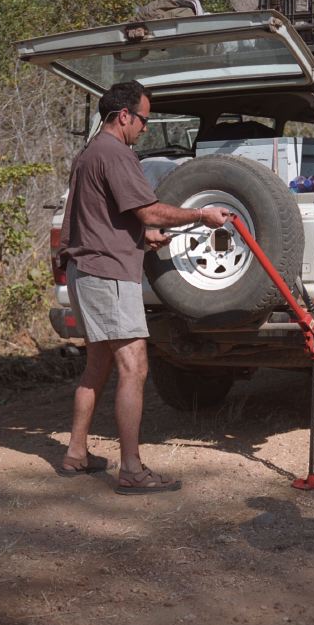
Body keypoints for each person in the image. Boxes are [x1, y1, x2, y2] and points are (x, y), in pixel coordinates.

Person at [57, 80, 230, 494]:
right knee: (134, 366)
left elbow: (103, 215)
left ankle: (76, 453)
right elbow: (148, 210)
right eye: (143, 119)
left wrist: (142, 236)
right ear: (123, 116)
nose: (145, 127)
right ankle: (132, 470)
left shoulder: (89, 153)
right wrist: (201, 215)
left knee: (97, 365)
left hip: (87, 269)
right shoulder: (116, 153)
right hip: (109, 274)